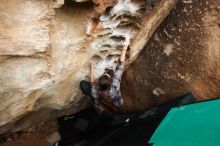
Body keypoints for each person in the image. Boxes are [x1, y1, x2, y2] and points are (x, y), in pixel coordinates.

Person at [80, 36, 130, 114]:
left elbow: (92, 83)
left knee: (83, 84)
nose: (105, 73)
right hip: (109, 107)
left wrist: (92, 69)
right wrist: (125, 47)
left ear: (98, 83)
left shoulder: (95, 90)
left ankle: (96, 103)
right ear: (111, 80)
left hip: (100, 106)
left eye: (104, 74)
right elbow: (120, 66)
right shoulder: (115, 86)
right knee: (111, 71)